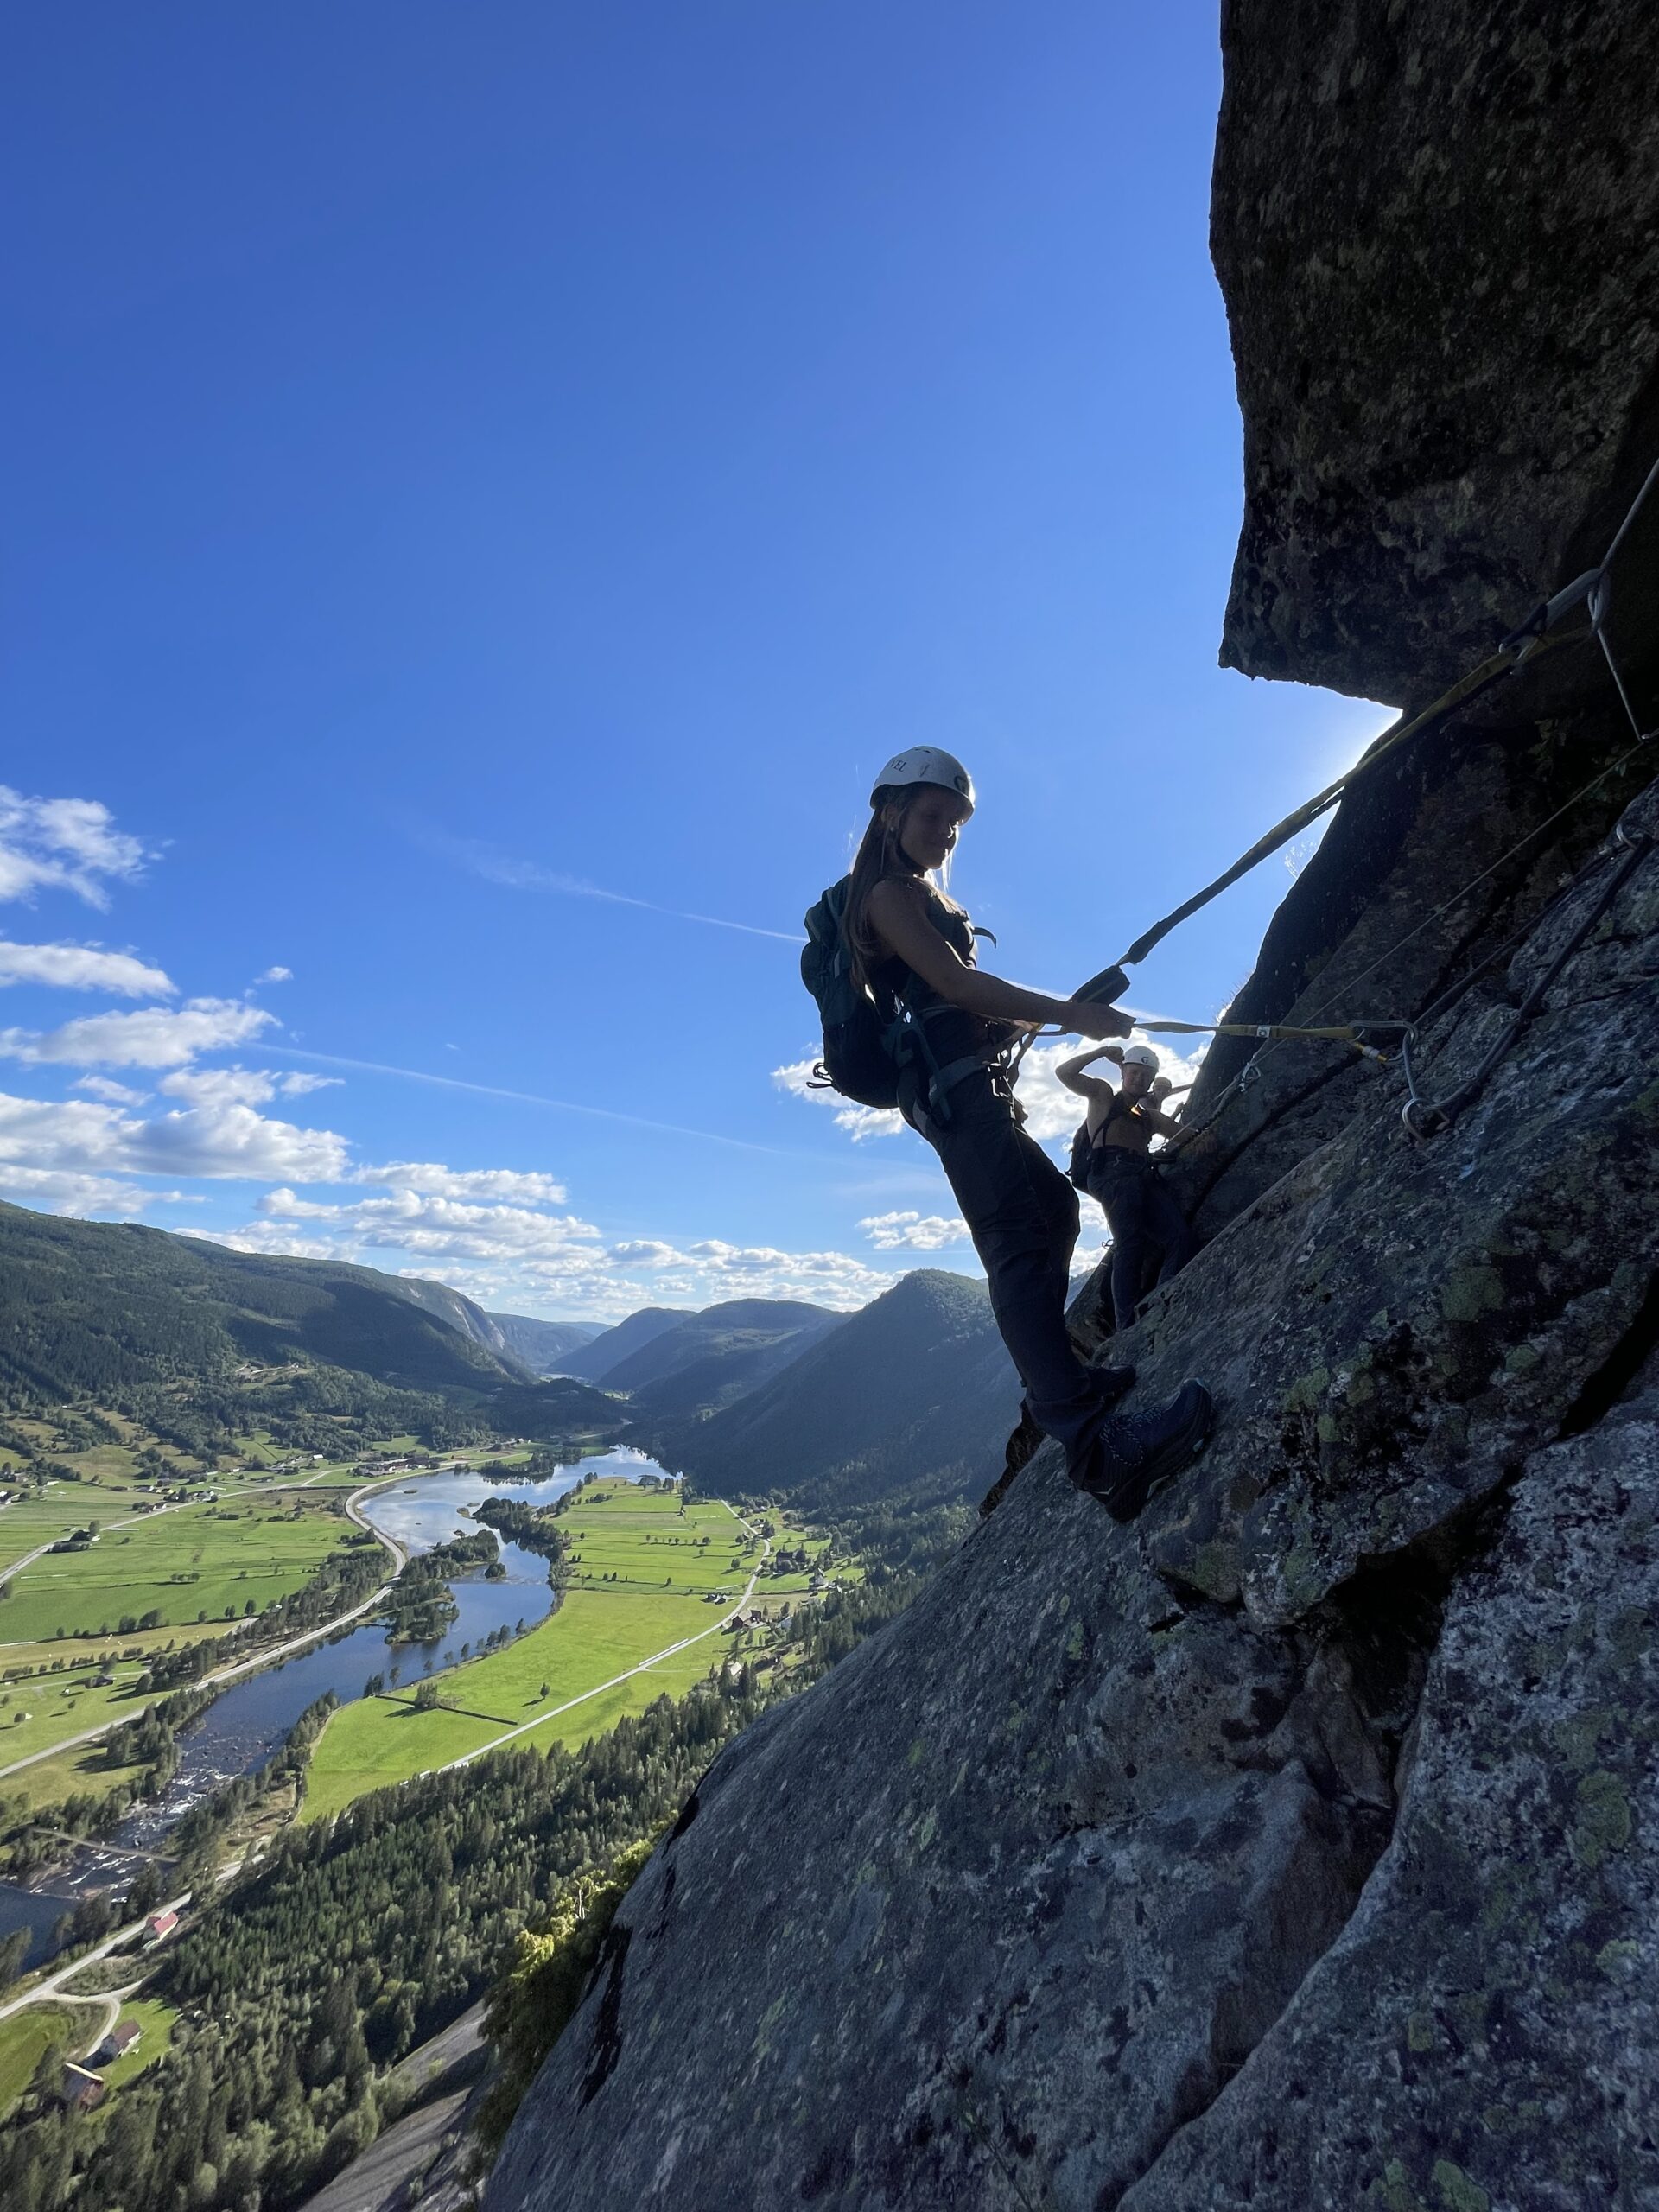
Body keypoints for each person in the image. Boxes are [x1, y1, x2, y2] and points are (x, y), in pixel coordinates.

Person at [844, 747, 1213, 1521]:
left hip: (971, 1086)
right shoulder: (885, 894)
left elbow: (974, 1002)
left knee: (1055, 1211)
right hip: (957, 1094)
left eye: (956, 824)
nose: (946, 833)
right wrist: (1075, 1015)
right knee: (1017, 1240)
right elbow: (956, 986)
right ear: (890, 814)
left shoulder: (915, 896)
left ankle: (1068, 1394)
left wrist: (1073, 1009)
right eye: (933, 816)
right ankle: (1094, 1448)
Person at [1059, 1041, 1198, 1331]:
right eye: (1134, 1073)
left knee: (1179, 1237)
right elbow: (1064, 1072)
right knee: (1130, 1245)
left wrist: (1208, 1137)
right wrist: (1100, 1053)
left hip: (1139, 1176)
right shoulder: (1103, 1095)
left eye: (1145, 1076)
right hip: (1113, 1176)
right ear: (1123, 1072)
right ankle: (1127, 1326)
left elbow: (1187, 1136)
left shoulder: (1148, 1116)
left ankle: (1159, 1301)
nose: (1139, 1079)